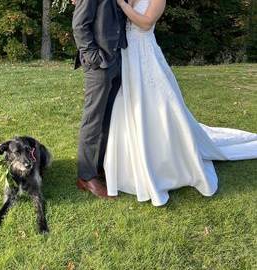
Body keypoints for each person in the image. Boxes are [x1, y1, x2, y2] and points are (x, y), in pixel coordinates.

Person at [103, 0, 257, 206]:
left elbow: (146, 23)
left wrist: (123, 5)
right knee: (128, 108)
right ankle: (128, 166)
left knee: (159, 108)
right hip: (127, 55)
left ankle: (165, 163)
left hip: (145, 55)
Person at [72, 0, 128, 198]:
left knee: (107, 119)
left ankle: (99, 166)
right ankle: (86, 176)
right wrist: (93, 56)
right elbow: (79, 25)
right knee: (93, 120)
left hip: (117, 61)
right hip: (98, 65)